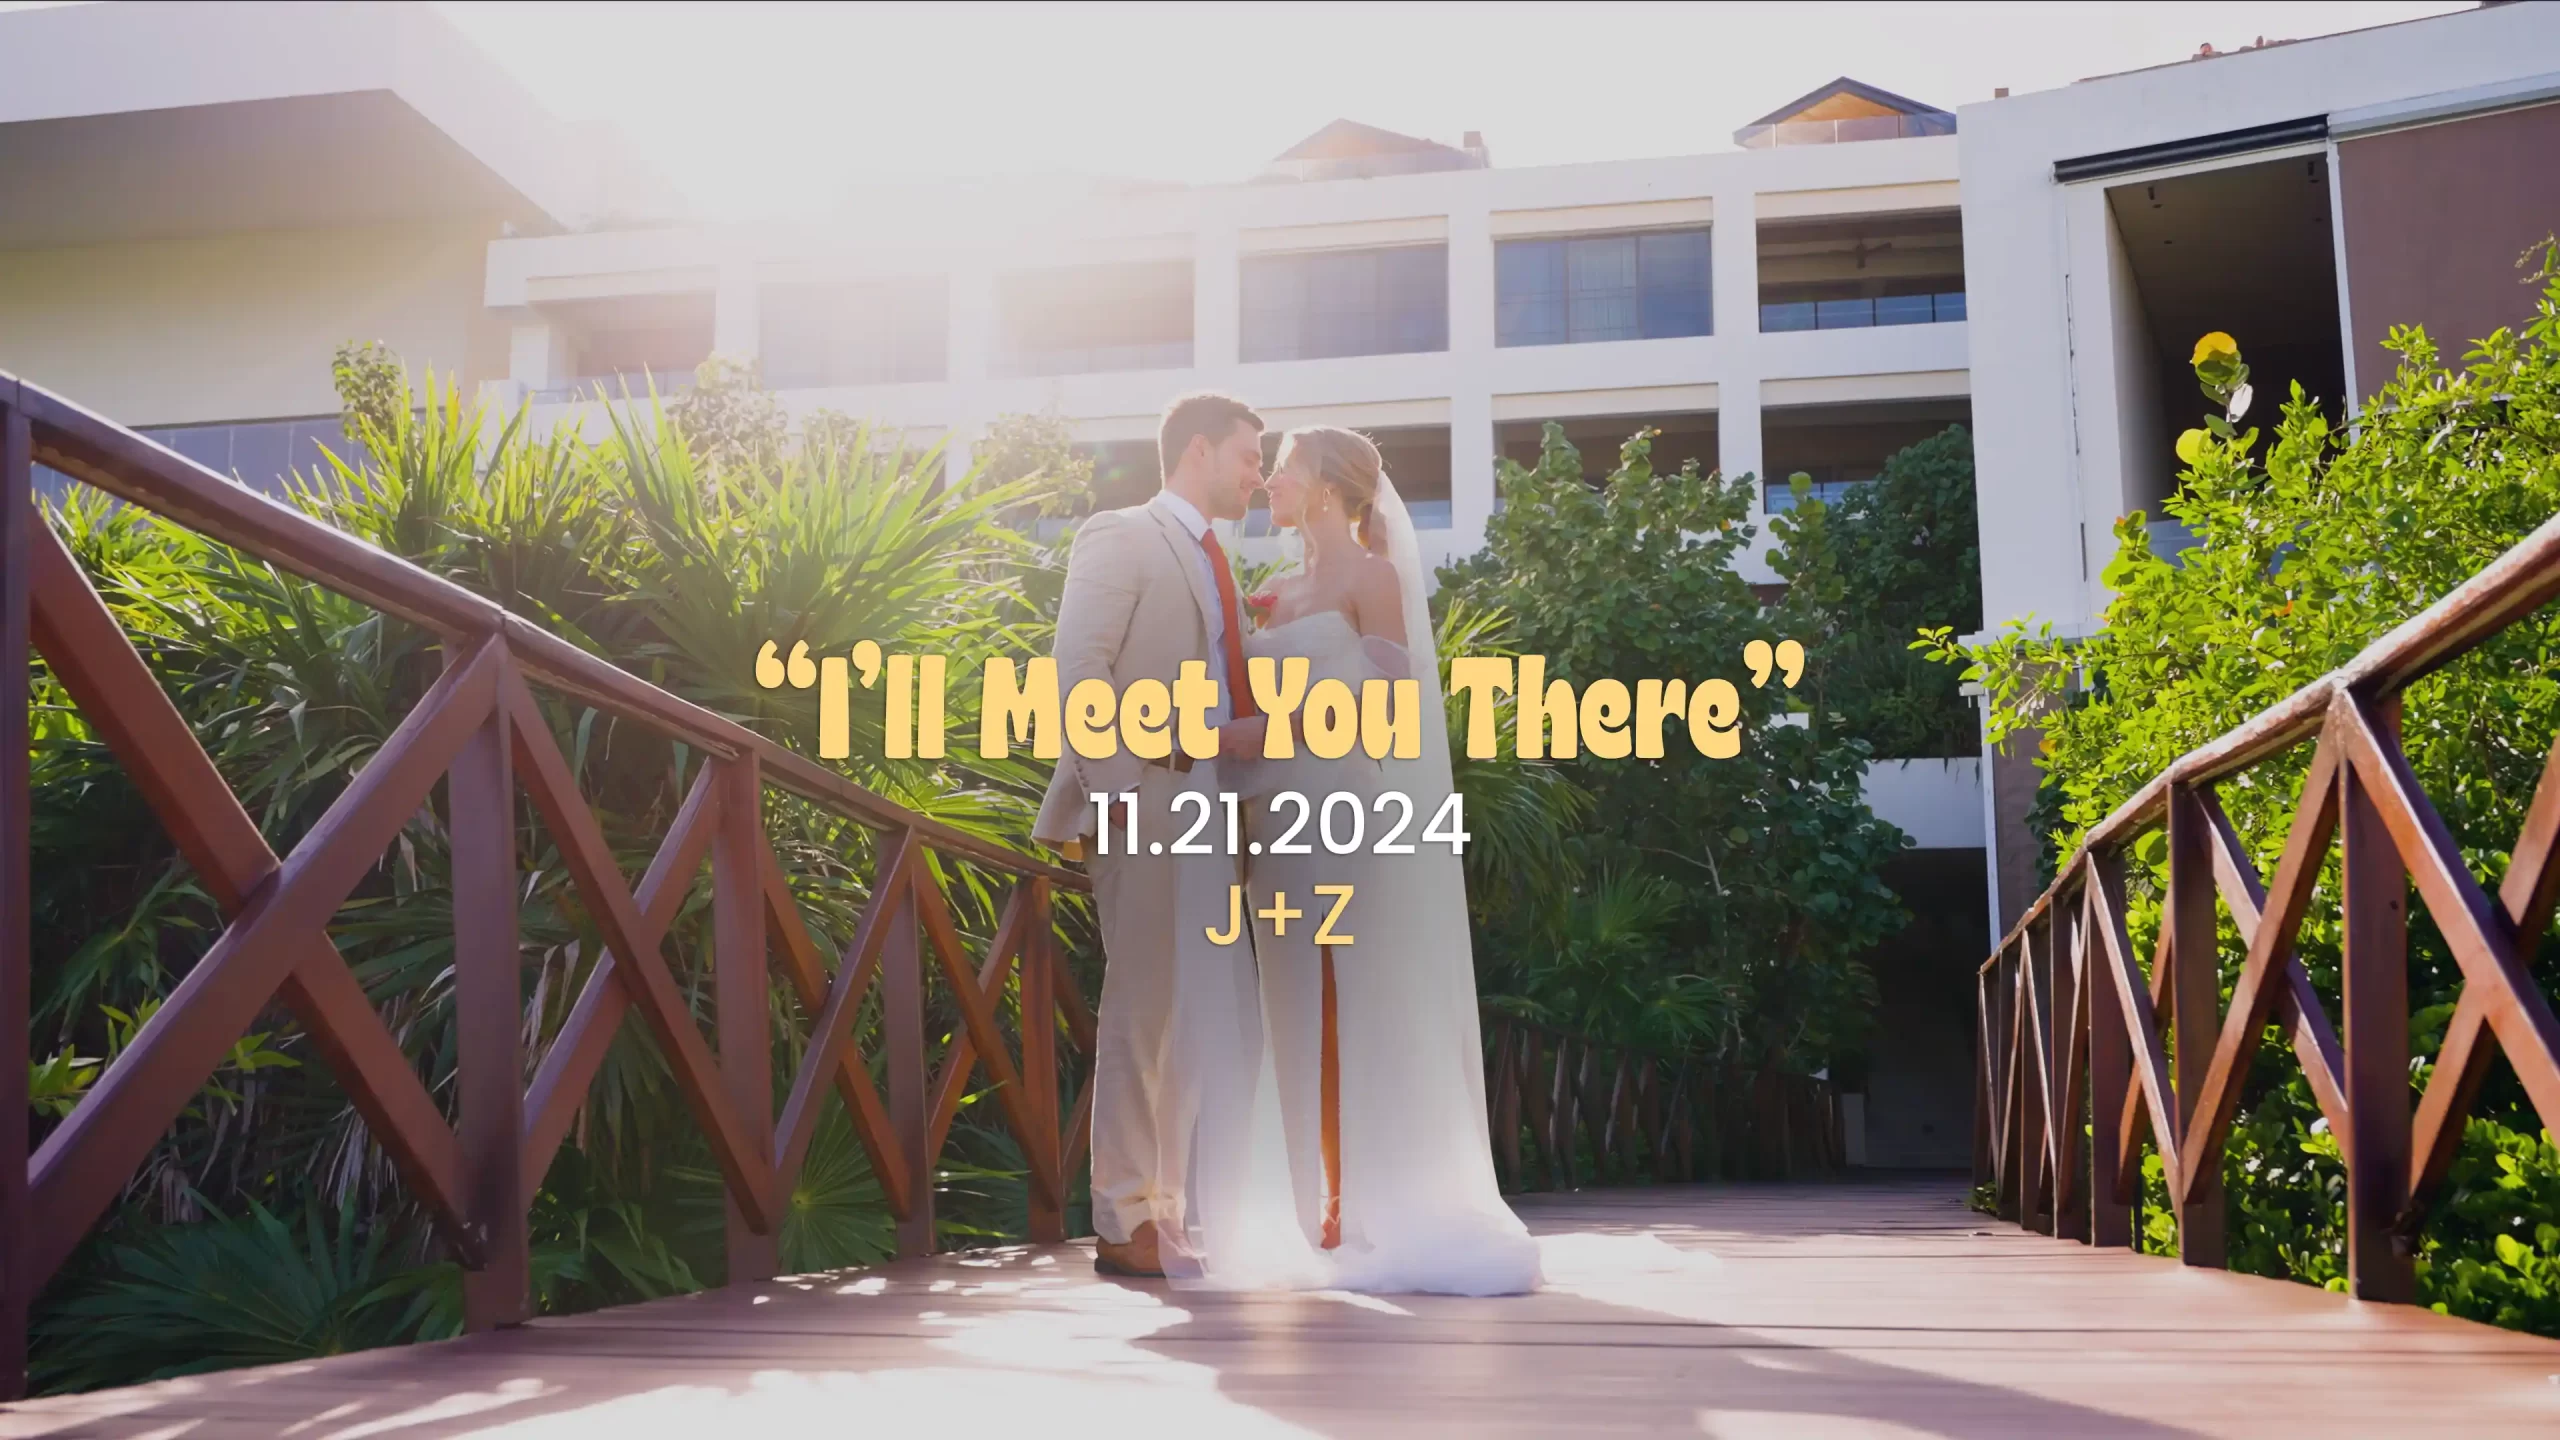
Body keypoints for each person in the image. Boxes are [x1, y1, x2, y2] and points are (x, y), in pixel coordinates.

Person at [1166, 425, 1541, 1296]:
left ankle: (1355, 1206)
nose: (1269, 482)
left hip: (1339, 805)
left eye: (1284, 469)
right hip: (1266, 815)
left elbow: (1392, 715)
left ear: (1328, 487)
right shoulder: (1272, 589)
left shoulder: (1375, 580)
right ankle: (1310, 1211)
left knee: (1344, 994)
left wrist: (1268, 729)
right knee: (1287, 997)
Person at [1031, 392, 1268, 1279]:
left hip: (1207, 802)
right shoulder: (1123, 534)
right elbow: (1077, 666)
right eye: (1249, 455)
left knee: (1184, 1014)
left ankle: (1161, 1209)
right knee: (1141, 1007)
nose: (1258, 472)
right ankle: (1123, 1214)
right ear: (1198, 451)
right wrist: (1119, 794)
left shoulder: (1220, 565)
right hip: (1149, 795)